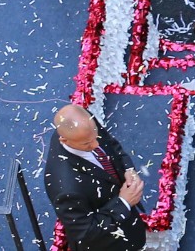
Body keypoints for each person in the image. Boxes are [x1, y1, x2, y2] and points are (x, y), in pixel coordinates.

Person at [43, 105, 146, 251]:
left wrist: (128, 169)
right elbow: (87, 234)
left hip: (129, 228)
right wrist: (124, 203)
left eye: (95, 137)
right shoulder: (65, 189)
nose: (96, 144)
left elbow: (111, 144)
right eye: (87, 143)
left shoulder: (85, 126)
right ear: (64, 141)